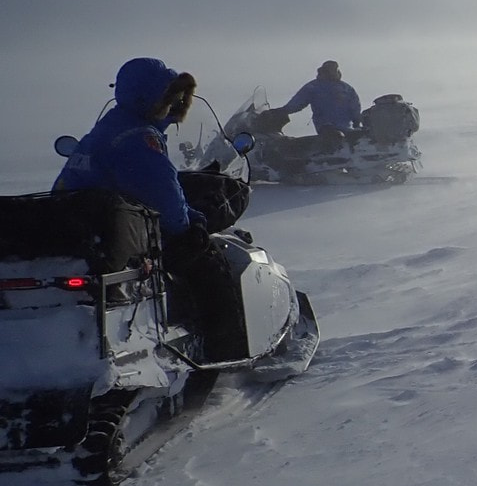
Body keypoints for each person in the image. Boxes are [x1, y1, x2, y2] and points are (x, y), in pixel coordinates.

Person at [55, 57, 248, 363]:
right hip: (117, 238)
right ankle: (225, 355)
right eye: (169, 94)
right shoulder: (138, 139)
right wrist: (194, 222)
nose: (175, 102)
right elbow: (166, 203)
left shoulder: (103, 132)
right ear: (154, 96)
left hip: (87, 235)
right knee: (206, 261)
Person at [278, 61, 362, 148]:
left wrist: (357, 121)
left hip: (346, 128)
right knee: (332, 138)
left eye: (335, 70)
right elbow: (298, 101)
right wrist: (283, 110)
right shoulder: (314, 87)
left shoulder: (346, 88)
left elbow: (355, 106)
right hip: (325, 125)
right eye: (330, 70)